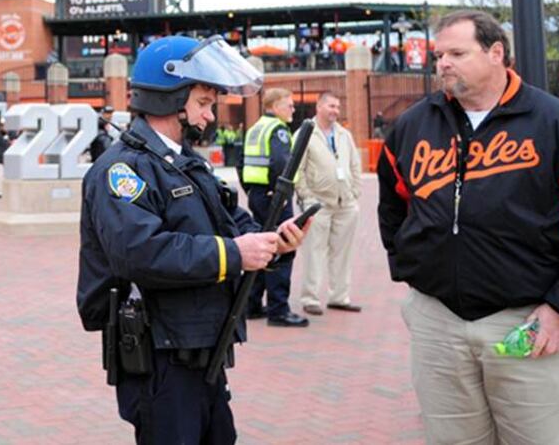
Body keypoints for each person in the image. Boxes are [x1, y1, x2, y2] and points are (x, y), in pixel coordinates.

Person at [376, 9, 559, 444]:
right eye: (440, 55)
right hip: (440, 322)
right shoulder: (414, 125)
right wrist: (414, 270)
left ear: (496, 53)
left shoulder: (558, 123)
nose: (443, 64)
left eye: (457, 52)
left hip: (530, 322)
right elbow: (393, 209)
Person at [76, 35, 310, 444]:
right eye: (203, 102)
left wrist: (271, 243)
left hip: (204, 349)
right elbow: (141, 253)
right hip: (161, 359)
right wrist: (235, 253)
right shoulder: (122, 170)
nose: (209, 115)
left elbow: (233, 224)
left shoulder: (186, 164)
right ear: (169, 98)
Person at [243, 87, 308, 327]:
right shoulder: (278, 130)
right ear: (274, 107)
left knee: (261, 247)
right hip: (275, 196)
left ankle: (252, 304)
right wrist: (279, 193)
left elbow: (242, 164)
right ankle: (278, 310)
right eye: (288, 104)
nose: (292, 109)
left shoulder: (255, 128)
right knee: (282, 248)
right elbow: (283, 163)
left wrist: (251, 189)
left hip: (259, 194)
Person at [294, 91, 363, 316]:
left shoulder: (344, 135)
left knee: (342, 253)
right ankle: (310, 298)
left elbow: (354, 165)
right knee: (314, 251)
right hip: (318, 203)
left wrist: (354, 192)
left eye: (337, 107)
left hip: (345, 203)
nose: (335, 111)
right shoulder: (305, 133)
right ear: (319, 107)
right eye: (331, 106)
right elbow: (298, 168)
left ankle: (339, 297)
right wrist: (307, 197)